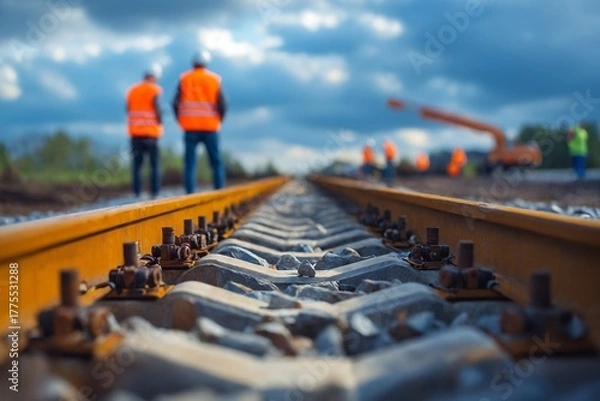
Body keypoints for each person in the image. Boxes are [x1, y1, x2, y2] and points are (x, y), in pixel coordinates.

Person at [173, 49, 227, 193]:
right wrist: (219, 120)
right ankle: (219, 192)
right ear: (206, 63)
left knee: (190, 163)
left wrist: (181, 120)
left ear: (193, 63)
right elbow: (222, 104)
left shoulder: (184, 78)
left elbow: (175, 103)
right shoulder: (214, 79)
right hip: (211, 127)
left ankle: (189, 194)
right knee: (215, 162)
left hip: (190, 127)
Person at [125, 65, 163, 198]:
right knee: (154, 164)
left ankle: (137, 193)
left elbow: (128, 109)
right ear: (155, 77)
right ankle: (155, 193)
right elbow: (158, 110)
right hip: (151, 133)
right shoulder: (155, 90)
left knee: (137, 165)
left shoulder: (132, 90)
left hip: (136, 133)